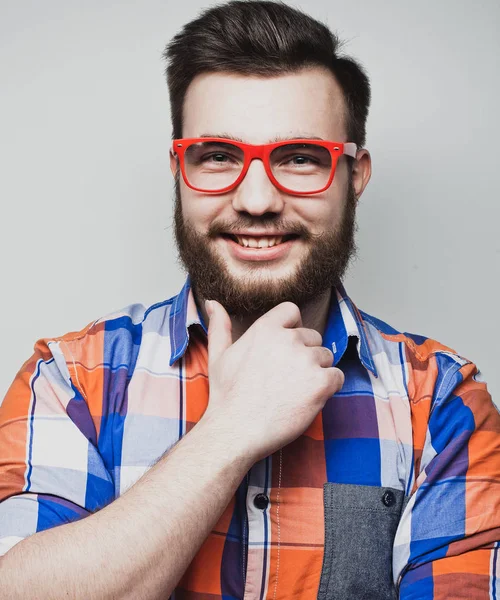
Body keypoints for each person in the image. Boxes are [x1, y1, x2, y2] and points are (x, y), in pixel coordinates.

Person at [0, 0, 499, 598]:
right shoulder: (71, 381)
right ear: (179, 169)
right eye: (218, 157)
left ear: (355, 175)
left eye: (300, 158)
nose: (257, 200)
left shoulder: (442, 402)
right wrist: (231, 429)